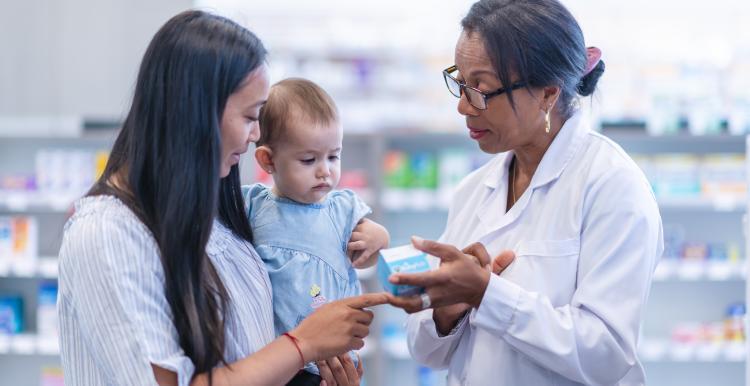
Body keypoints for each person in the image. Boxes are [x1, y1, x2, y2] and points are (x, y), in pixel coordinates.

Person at [57, 10, 387, 386]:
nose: (256, 135)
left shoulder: (216, 217)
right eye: (251, 117)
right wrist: (304, 344)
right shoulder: (107, 235)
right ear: (197, 113)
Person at [387, 1, 664, 385]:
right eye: (460, 81)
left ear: (547, 94)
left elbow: (606, 354)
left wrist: (488, 294)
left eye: (480, 88)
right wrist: (446, 309)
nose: (463, 106)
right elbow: (428, 353)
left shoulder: (613, 187)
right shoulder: (474, 190)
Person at [247, 77, 390, 384]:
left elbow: (366, 256)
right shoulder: (253, 206)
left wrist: (378, 238)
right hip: (277, 360)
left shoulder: (343, 209)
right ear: (268, 160)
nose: (325, 170)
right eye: (309, 159)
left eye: (333, 156)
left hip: (333, 363)